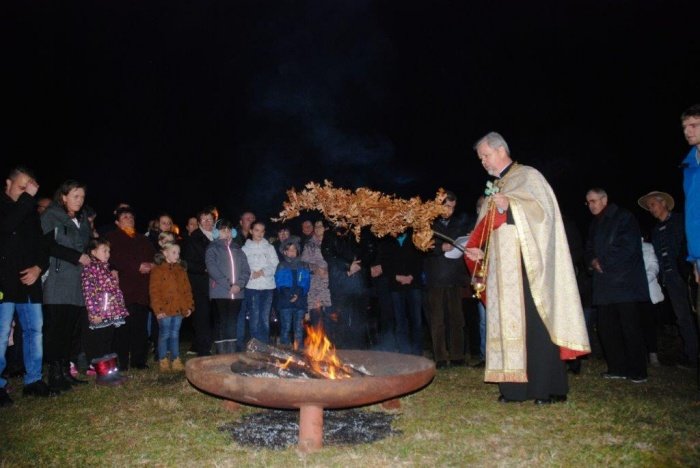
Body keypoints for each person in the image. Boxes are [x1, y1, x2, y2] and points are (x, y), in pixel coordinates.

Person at [465, 132, 590, 404]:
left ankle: (549, 388)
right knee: (507, 325)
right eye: (481, 158)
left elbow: (544, 215)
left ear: (500, 150)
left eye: (485, 156)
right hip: (502, 268)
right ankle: (514, 389)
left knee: (536, 322)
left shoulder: (529, 176)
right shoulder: (497, 185)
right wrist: (479, 250)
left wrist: (511, 204)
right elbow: (486, 230)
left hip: (528, 266)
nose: (483, 162)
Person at [0, 166, 55, 405]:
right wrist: (26, 200)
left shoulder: (30, 210)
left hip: (30, 282)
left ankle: (33, 380)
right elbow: (7, 226)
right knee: (1, 334)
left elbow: (43, 244)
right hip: (4, 281)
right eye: (22, 188)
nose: (26, 193)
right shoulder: (7, 207)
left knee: (35, 331)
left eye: (28, 189)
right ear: (7, 184)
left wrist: (38, 268)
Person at [584, 188, 649, 383]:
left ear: (604, 199)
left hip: (625, 284)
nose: (591, 205)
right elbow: (588, 249)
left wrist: (602, 262)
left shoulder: (623, 217)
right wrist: (592, 262)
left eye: (594, 200)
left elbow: (627, 246)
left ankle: (638, 371)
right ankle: (617, 367)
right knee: (606, 328)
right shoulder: (595, 223)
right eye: (588, 202)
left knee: (629, 327)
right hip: (604, 286)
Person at [40, 179, 93, 391]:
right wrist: (76, 256)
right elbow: (47, 246)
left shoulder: (83, 221)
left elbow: (87, 246)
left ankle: (65, 371)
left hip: (77, 281)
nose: (79, 201)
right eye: (75, 196)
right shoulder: (51, 215)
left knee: (72, 329)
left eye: (82, 197)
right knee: (57, 329)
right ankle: (54, 375)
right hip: (58, 279)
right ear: (63, 197)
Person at [638, 190, 698, 367]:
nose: (651, 209)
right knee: (683, 317)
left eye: (653, 205)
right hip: (670, 280)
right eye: (649, 207)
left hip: (688, 275)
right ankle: (692, 356)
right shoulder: (655, 231)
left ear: (663, 203)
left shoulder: (681, 221)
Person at [105, 206, 156, 370]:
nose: (129, 219)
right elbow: (113, 258)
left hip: (141, 289)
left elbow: (154, 256)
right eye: (125, 217)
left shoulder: (143, 239)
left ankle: (138, 360)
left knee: (140, 327)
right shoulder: (112, 238)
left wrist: (152, 265)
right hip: (123, 289)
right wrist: (136, 266)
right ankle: (121, 362)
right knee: (122, 328)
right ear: (117, 222)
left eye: (131, 216)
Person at [424, 190, 470, 368]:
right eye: (447, 206)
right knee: (438, 320)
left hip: (454, 275)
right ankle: (441, 357)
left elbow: (463, 242)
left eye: (453, 207)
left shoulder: (458, 223)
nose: (450, 210)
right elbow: (421, 245)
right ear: (439, 205)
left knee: (457, 318)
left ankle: (457, 355)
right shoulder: (428, 223)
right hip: (436, 277)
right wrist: (439, 247)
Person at [80, 238, 129, 385]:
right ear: (93, 252)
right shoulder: (90, 269)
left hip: (111, 312)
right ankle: (102, 375)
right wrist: (95, 312)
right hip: (100, 313)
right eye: (104, 250)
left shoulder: (106, 269)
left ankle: (111, 373)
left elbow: (112, 291)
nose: (108, 254)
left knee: (108, 342)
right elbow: (89, 293)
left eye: (109, 251)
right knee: (101, 343)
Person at [205, 218, 250, 354]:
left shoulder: (238, 249)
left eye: (229, 230)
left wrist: (239, 285)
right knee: (221, 322)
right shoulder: (212, 248)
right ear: (216, 232)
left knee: (232, 322)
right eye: (223, 230)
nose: (227, 232)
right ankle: (221, 352)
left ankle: (231, 352)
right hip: (220, 292)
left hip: (236, 293)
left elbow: (246, 270)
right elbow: (212, 268)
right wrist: (228, 284)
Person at [149, 242, 193, 372]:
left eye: (178, 253)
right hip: (165, 309)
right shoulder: (157, 270)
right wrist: (158, 309)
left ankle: (175, 358)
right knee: (164, 334)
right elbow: (154, 291)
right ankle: (163, 359)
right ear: (165, 253)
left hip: (178, 308)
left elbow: (187, 289)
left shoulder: (181, 269)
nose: (177, 255)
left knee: (175, 334)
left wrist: (189, 306)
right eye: (174, 252)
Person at [181, 208, 216, 356]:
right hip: (200, 283)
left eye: (210, 219)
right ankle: (203, 349)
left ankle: (208, 344)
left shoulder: (217, 237)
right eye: (204, 219)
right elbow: (187, 263)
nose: (208, 222)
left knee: (212, 315)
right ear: (199, 222)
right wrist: (205, 269)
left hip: (215, 284)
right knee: (201, 316)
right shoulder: (194, 238)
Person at [680, 104, 700, 352]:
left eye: (694, 125)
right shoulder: (689, 165)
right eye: (685, 127)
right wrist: (695, 259)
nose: (687, 131)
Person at [242, 221, 278, 344]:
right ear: (251, 231)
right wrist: (252, 273)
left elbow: (275, 264)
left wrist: (263, 272)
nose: (259, 233)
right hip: (252, 287)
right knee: (254, 317)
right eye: (257, 230)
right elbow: (242, 266)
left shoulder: (269, 248)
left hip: (267, 287)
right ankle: (255, 345)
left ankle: (264, 346)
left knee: (264, 317)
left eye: (262, 231)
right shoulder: (244, 249)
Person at [274, 238, 311, 349]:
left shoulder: (304, 265)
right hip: (286, 302)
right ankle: (285, 351)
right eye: (289, 250)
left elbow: (306, 282)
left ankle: (299, 351)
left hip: (300, 302)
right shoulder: (281, 265)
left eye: (294, 249)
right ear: (285, 252)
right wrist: (290, 295)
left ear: (297, 251)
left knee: (299, 328)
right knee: (286, 327)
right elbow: (280, 282)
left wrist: (298, 294)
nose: (292, 252)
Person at [300, 220, 332, 331]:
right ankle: (317, 344)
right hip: (315, 286)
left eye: (320, 226)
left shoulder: (332, 242)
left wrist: (330, 270)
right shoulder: (309, 244)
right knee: (315, 315)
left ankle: (330, 343)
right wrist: (315, 269)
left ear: (326, 228)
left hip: (330, 284)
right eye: (316, 226)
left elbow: (338, 261)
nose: (318, 228)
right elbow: (303, 263)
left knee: (329, 315)